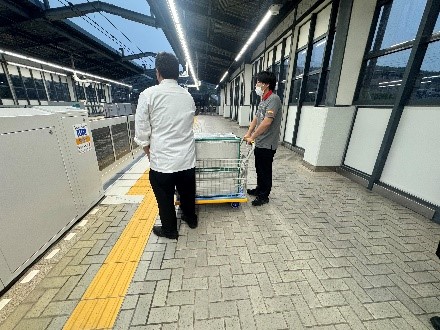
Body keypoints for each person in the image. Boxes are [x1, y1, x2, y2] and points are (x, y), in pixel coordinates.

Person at [134, 52, 198, 240]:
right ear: (177, 73)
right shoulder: (187, 95)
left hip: (162, 161)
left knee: (165, 197)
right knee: (187, 192)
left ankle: (170, 230)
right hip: (186, 158)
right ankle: (190, 218)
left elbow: (142, 129)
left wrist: (147, 150)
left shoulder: (148, 95)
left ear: (158, 72)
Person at [244, 71, 282, 206]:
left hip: (268, 143)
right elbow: (256, 118)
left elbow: (266, 122)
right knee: (259, 168)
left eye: (258, 82)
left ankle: (264, 196)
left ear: (266, 84)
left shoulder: (274, 99)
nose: (256, 85)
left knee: (265, 170)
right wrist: (249, 133)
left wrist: (252, 136)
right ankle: (259, 189)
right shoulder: (263, 100)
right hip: (260, 142)